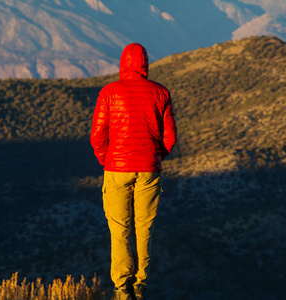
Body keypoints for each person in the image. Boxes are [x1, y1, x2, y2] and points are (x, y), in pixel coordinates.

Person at [90, 43, 177, 300]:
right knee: (144, 227)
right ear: (145, 63)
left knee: (119, 228)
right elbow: (169, 138)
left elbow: (97, 136)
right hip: (149, 168)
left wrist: (107, 159)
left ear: (123, 63)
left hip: (116, 168)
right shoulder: (161, 92)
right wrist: (154, 157)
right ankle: (140, 283)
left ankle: (121, 287)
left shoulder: (109, 92)